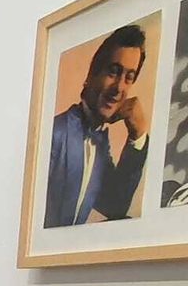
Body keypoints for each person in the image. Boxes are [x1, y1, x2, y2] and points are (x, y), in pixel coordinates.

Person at [45, 23, 151, 227]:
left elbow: (115, 206)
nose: (119, 88)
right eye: (113, 72)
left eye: (128, 78)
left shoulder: (101, 141)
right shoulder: (55, 133)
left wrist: (137, 136)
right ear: (91, 75)